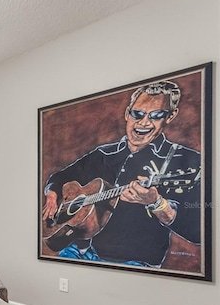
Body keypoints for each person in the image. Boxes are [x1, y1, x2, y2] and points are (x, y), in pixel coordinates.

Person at [42, 80, 201, 267]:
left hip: (135, 263)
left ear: (170, 116)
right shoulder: (103, 154)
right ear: (128, 113)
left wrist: (157, 203)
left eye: (156, 115)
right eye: (137, 114)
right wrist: (52, 194)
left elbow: (198, 232)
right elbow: (61, 177)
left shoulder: (186, 160)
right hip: (78, 249)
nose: (144, 122)